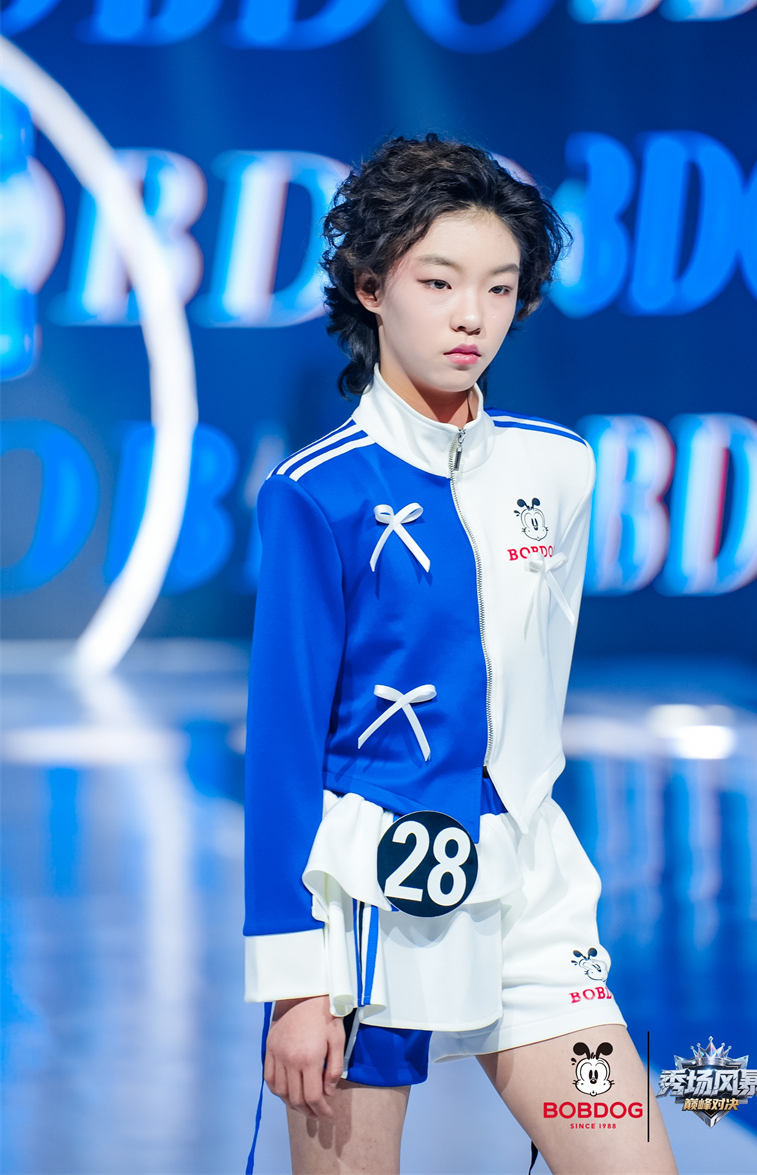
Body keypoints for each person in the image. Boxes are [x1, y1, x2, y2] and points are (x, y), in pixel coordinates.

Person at [244, 134, 677, 1175]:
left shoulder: (557, 470)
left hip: (529, 894)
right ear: (370, 286)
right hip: (368, 907)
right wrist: (294, 984)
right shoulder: (316, 492)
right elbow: (283, 747)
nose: (470, 315)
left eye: (499, 286)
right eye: (437, 282)